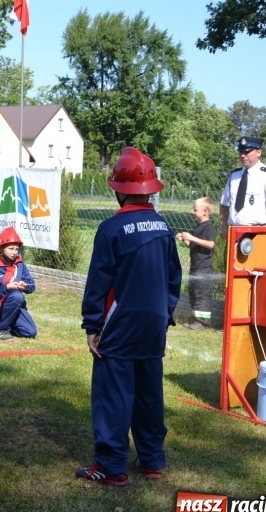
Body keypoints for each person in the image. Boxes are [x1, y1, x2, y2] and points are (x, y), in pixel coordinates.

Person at [77, 147, 182, 487]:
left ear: (118, 189)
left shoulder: (111, 229)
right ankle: (152, 460)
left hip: (119, 327)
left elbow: (98, 283)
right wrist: (164, 319)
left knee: (114, 396)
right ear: (151, 188)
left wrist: (93, 325)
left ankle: (111, 466)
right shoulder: (164, 228)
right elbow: (173, 280)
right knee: (149, 394)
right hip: (153, 326)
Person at [219, 136, 266, 238]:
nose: (243, 156)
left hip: (257, 233)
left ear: (259, 152)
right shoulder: (234, 176)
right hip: (234, 231)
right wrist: (223, 224)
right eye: (241, 152)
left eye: (247, 152)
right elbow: (224, 203)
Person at [0, 227, 37, 341]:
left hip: (15, 304)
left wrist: (25, 286)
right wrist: (7, 287)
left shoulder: (20, 265)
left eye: (16, 249)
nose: (14, 252)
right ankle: (2, 329)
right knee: (16, 295)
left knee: (30, 332)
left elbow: (32, 285)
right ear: (1, 248)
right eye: (11, 249)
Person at [176, 197, 216, 330]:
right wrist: (184, 239)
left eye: (195, 210)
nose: (192, 212)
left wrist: (192, 237)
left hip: (204, 268)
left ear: (205, 211)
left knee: (202, 294)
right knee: (194, 292)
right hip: (195, 266)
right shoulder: (198, 227)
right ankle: (195, 319)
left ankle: (203, 322)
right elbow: (191, 245)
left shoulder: (209, 227)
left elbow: (210, 244)